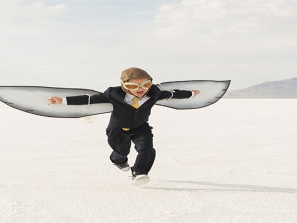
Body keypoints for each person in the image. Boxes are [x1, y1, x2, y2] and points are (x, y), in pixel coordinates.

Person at [47, 67, 201, 182]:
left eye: (145, 85)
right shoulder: (114, 94)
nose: (140, 89)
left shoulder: (154, 92)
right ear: (124, 85)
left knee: (146, 149)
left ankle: (139, 173)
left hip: (141, 127)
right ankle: (118, 161)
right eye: (134, 86)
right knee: (121, 151)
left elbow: (173, 94)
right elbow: (90, 99)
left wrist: (192, 93)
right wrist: (62, 100)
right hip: (118, 130)